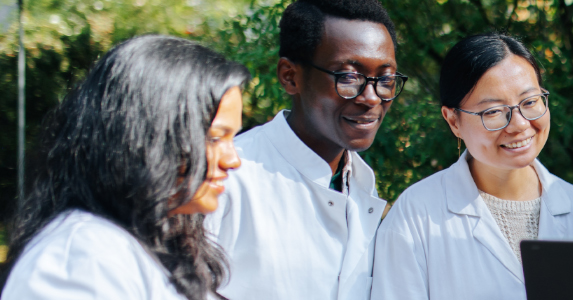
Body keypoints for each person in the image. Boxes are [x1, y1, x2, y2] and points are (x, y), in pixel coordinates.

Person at [1, 35, 247, 300]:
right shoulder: (83, 258)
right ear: (147, 135)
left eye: (232, 138)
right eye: (214, 138)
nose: (232, 161)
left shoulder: (148, 245)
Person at [369, 32, 573, 300]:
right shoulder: (415, 216)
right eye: (492, 111)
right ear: (453, 120)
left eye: (530, 102)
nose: (520, 125)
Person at [203, 0, 403, 299]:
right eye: (349, 78)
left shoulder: (361, 182)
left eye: (385, 80)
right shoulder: (228, 179)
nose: (372, 98)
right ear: (290, 76)